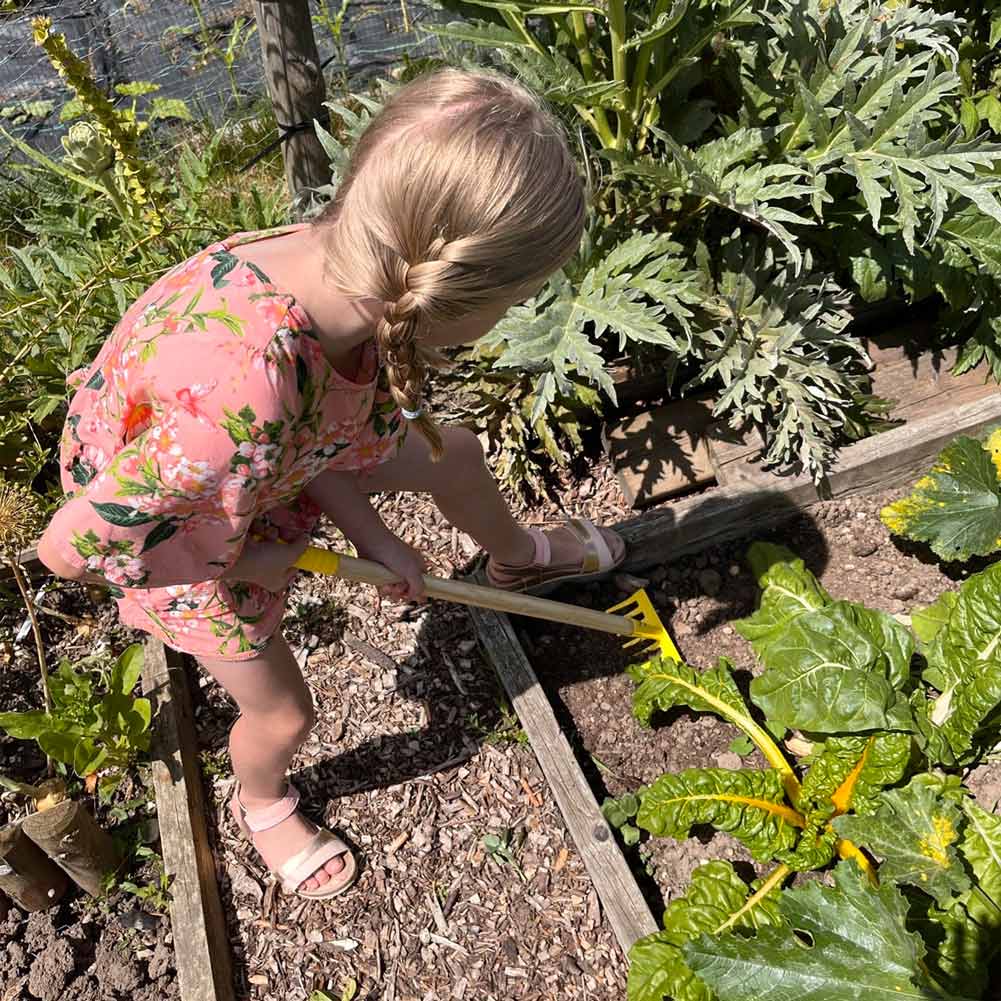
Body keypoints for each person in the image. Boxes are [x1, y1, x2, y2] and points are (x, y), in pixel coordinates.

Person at [37, 69, 626, 900]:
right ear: (454, 293)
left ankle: (521, 557)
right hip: (184, 546)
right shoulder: (246, 391)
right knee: (284, 714)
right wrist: (248, 565)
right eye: (517, 301)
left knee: (449, 454)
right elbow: (69, 549)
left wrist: (374, 534)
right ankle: (263, 797)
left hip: (252, 464)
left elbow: (310, 436)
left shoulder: (334, 263)